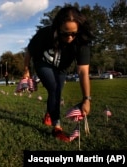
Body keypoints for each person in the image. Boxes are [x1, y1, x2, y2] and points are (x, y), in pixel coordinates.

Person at [23, 6, 94, 142]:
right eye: (65, 33)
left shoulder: (82, 42)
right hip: (43, 62)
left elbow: (83, 71)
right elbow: (29, 51)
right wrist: (26, 70)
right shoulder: (45, 34)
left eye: (74, 33)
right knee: (54, 88)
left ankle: (49, 113)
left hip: (61, 69)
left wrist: (86, 99)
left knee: (57, 92)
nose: (70, 37)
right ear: (57, 29)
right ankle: (57, 127)